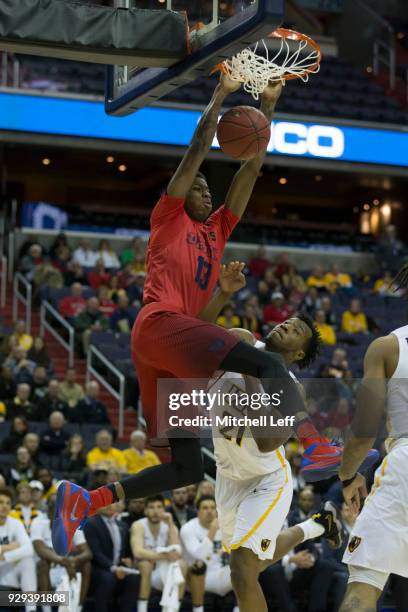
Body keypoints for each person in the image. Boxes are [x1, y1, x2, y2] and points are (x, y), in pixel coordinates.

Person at [52, 76, 349, 555]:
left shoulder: (216, 233)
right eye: (201, 187)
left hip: (170, 351)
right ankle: (314, 444)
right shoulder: (168, 215)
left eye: (212, 189)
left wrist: (268, 109)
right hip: (158, 326)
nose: (207, 192)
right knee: (268, 362)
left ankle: (86, 500)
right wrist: (220, 96)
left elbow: (248, 173)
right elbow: (196, 152)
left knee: (187, 467)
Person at [207, 325, 346, 612]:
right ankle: (316, 524)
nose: (286, 325)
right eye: (287, 321)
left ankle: (316, 525)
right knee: (253, 562)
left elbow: (268, 441)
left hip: (265, 479)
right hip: (228, 477)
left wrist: (248, 372)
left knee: (242, 571)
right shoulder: (242, 338)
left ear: (298, 352)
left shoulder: (291, 388)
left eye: (296, 330)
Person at [338, 263, 408, 612]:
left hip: (404, 467)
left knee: (362, 588)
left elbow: (364, 431)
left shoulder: (387, 347)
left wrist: (348, 475)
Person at [31, 497, 92, 612]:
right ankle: (46, 609)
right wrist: (63, 561)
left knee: (87, 565)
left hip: (68, 566)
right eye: (53, 509)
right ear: (48, 512)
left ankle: (78, 607)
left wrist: (73, 562)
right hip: (47, 568)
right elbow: (40, 549)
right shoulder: (38, 522)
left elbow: (87, 552)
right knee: (43, 563)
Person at [131, 495, 187, 612]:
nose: (155, 511)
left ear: (164, 510)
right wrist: (164, 555)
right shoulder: (138, 525)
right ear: (145, 510)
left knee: (181, 565)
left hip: (162, 570)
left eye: (159, 507)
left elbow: (176, 551)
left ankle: (172, 609)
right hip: (142, 570)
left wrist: (170, 523)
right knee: (146, 565)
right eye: (151, 507)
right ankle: (142, 609)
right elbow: (138, 552)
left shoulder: (170, 526)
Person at [180, 495, 236, 610]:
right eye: (205, 508)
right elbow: (199, 556)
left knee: (247, 567)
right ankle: (198, 609)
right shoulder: (188, 528)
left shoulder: (227, 526)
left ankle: (239, 609)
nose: (210, 511)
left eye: (212, 508)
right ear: (198, 511)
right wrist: (212, 530)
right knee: (198, 566)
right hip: (199, 577)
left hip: (222, 573)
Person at [84, 502, 139, 612]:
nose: (109, 506)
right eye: (104, 503)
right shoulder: (90, 523)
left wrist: (129, 560)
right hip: (98, 568)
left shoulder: (122, 525)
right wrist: (113, 568)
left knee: (133, 578)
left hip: (118, 567)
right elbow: (95, 553)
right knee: (107, 578)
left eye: (112, 503)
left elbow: (127, 552)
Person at [0, 488, 37, 612]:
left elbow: (29, 549)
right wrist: (8, 546)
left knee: (27, 560)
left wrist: (4, 555)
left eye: (7, 503)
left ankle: (31, 609)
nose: (4, 506)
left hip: (7, 567)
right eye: (0, 502)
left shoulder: (15, 523)